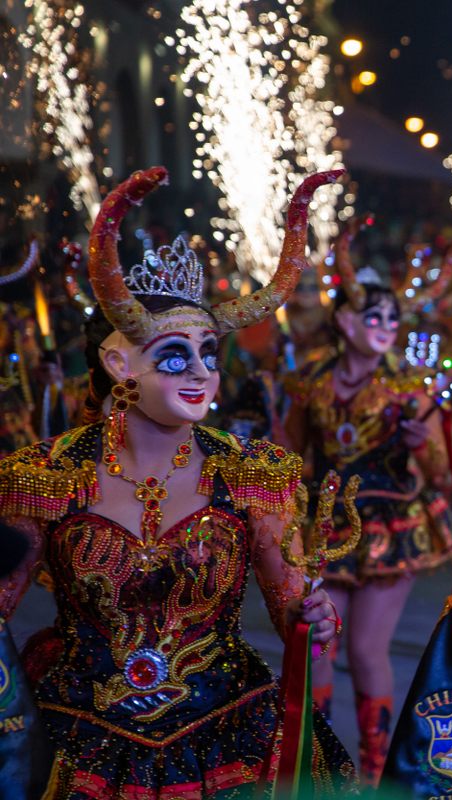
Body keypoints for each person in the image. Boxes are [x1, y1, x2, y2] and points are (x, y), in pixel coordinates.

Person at [0, 167, 354, 795]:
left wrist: (317, 617)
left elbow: (292, 606)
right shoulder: (44, 476)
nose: (200, 372)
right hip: (78, 734)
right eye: (173, 356)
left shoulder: (251, 472)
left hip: (223, 731)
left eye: (209, 353)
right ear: (118, 364)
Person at [285, 218, 452, 785]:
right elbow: (288, 459)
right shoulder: (309, 381)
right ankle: (319, 762)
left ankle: (374, 770)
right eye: (373, 316)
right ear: (343, 321)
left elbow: (438, 471)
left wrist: (419, 446)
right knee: (316, 643)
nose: (385, 326)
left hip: (391, 524)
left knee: (364, 649)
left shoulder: (411, 386)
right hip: (324, 526)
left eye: (392, 318)